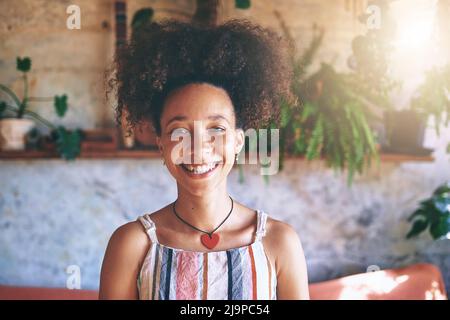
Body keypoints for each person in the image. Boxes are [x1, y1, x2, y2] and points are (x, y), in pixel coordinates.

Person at [99, 18, 309, 300]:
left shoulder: (278, 243)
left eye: (217, 129)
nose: (198, 149)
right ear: (161, 143)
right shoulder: (132, 244)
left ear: (238, 140)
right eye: (180, 131)